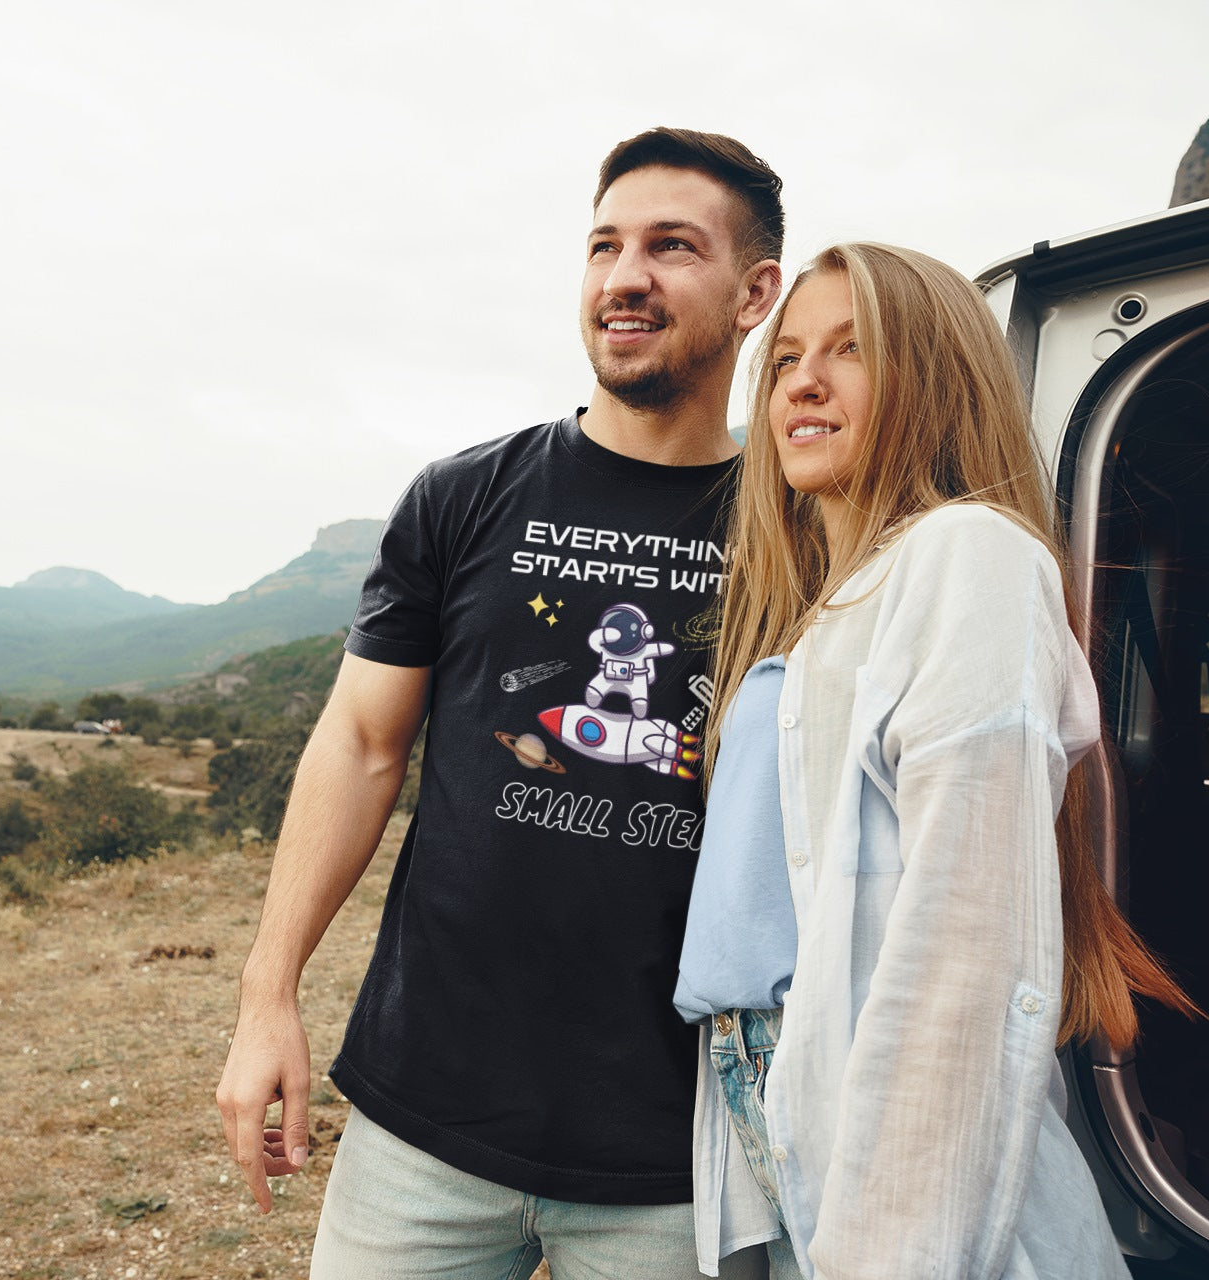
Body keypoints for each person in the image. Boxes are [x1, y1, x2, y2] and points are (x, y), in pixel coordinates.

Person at [216, 127, 786, 1279]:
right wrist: (266, 993)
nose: (624, 276)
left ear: (753, 291)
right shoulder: (464, 495)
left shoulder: (798, 531)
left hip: (681, 1153)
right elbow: (363, 744)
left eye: (672, 247)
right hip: (422, 1123)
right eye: (603, 245)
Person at [673, 243, 1202, 1279]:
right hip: (762, 1083)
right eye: (783, 359)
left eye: (849, 350)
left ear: (933, 380)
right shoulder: (821, 609)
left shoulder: (966, 553)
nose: (802, 382)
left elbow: (964, 948)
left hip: (888, 1111)